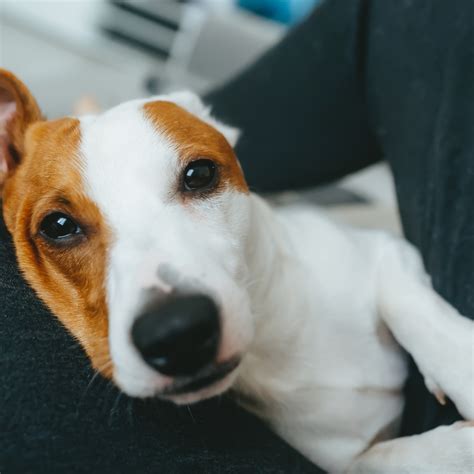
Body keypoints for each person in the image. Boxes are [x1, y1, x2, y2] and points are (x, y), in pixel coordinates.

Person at [1, 0, 472, 471]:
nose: (175, 326)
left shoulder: (328, 260)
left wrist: (442, 340)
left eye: (197, 178)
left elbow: (384, 259)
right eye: (63, 228)